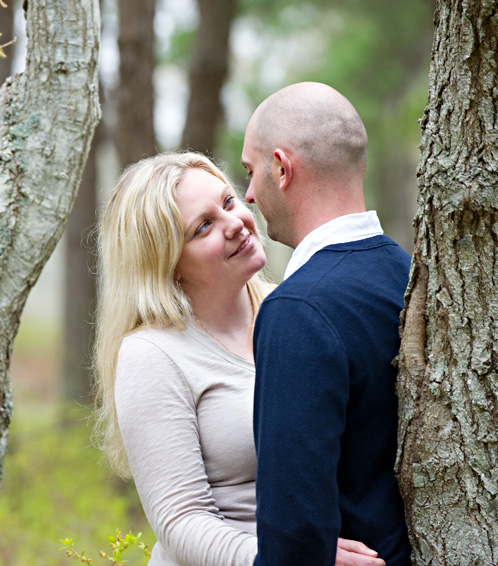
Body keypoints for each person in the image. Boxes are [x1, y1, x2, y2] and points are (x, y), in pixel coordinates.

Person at [94, 152, 387, 566]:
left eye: (228, 202)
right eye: (204, 227)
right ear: (167, 263)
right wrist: (298, 557)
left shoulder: (293, 310)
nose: (235, 224)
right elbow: (181, 521)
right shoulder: (153, 353)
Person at [241, 82, 413, 566]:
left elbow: (292, 529)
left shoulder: (298, 309)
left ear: (282, 166)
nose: (250, 195)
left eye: (251, 172)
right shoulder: (409, 274)